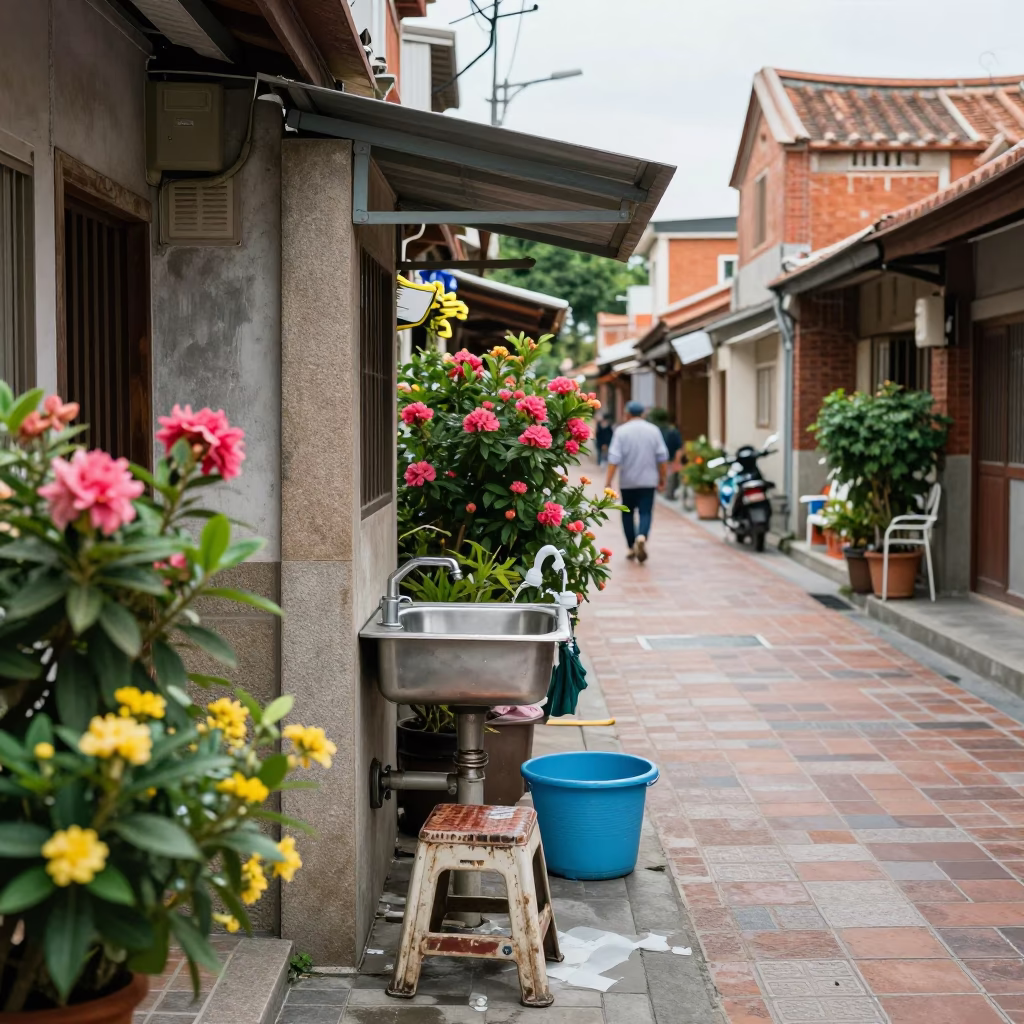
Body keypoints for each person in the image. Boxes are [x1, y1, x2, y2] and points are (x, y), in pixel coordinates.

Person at [604, 400, 668, 564]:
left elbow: (614, 458)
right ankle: (642, 536)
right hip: (648, 480)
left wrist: (608, 481)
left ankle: (631, 545)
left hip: (628, 481)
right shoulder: (653, 430)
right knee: (645, 512)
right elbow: (662, 457)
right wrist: (663, 478)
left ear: (627, 414)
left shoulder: (621, 431)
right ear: (643, 414)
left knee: (627, 513)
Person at [648, 408, 683, 499]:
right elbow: (679, 448)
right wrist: (676, 462)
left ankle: (663, 492)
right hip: (669, 460)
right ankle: (668, 494)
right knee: (669, 481)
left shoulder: (653, 431)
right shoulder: (672, 430)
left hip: (656, 461)